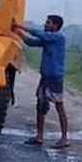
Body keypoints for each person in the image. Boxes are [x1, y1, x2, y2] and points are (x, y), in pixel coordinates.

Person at [13, 15, 69, 148]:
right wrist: (17, 32)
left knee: (59, 106)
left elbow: (38, 34)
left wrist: (19, 26)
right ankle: (39, 137)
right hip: (45, 78)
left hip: (55, 78)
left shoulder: (58, 37)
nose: (45, 24)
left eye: (48, 23)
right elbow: (31, 42)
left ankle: (65, 138)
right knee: (41, 106)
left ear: (55, 26)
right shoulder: (49, 39)